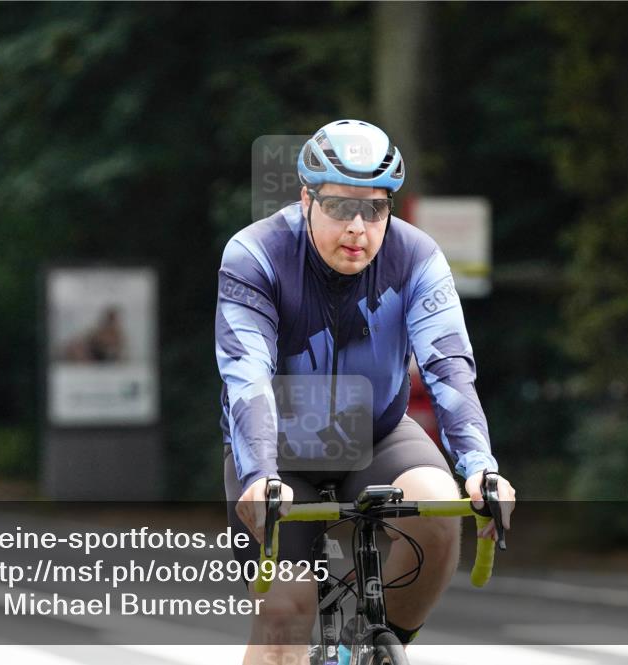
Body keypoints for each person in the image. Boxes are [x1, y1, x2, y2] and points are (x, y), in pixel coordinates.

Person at [216, 119, 516, 664]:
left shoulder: (417, 257)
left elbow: (448, 364)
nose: (358, 227)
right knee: (286, 612)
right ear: (306, 198)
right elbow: (246, 373)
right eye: (338, 207)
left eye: (374, 209)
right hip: (279, 448)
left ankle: (377, 647)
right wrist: (260, 475)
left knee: (441, 510)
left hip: (377, 432)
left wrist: (479, 465)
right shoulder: (256, 255)